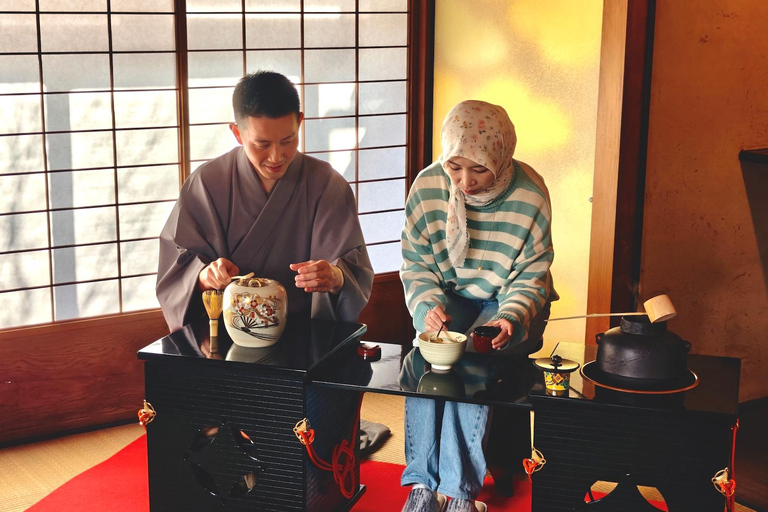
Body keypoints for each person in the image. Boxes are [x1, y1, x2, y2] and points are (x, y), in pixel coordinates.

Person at [398, 100, 556, 512]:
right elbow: (416, 263)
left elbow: (530, 275)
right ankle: (420, 486)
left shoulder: (530, 194)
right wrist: (428, 305)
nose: (465, 182)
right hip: (450, 296)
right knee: (424, 361)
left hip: (508, 300)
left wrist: (510, 317)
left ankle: (458, 492)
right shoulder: (428, 186)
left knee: (471, 358)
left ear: (501, 157)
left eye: (479, 169)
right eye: (455, 167)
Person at [156, 71, 374, 333]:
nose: (276, 156)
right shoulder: (206, 183)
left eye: (288, 141)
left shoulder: (327, 184)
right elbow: (178, 270)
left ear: (300, 123)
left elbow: (352, 272)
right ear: (237, 133)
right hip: (228, 335)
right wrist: (204, 276)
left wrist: (335, 277)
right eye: (262, 144)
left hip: (306, 336)